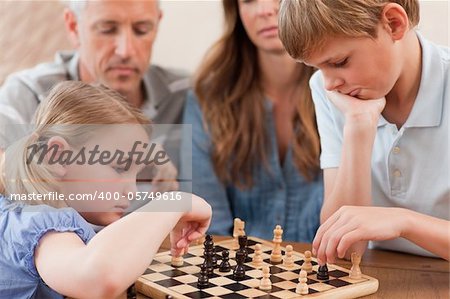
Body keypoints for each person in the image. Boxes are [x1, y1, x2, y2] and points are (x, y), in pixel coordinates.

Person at [0, 81, 212, 298]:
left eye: (136, 174)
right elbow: (96, 278)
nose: (132, 191)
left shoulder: (17, 210)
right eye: (120, 167)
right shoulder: (45, 228)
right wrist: (171, 204)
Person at [278, 0, 449, 261]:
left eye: (339, 62)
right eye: (317, 68)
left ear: (393, 23)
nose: (330, 84)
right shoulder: (330, 92)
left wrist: (404, 222)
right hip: (379, 275)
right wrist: (358, 126)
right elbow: (343, 250)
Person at [0, 0, 187, 188]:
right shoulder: (28, 94)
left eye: (142, 30)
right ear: (73, 27)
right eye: (107, 29)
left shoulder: (185, 94)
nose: (125, 51)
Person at [181, 0, 323, 242]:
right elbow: (207, 226)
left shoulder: (344, 88)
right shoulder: (207, 98)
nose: (264, 9)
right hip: (235, 272)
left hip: (328, 268)